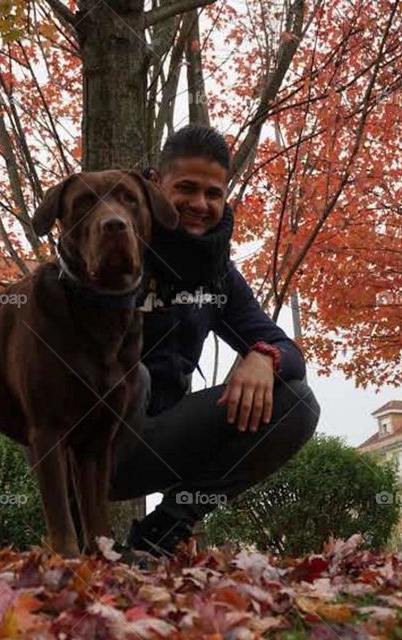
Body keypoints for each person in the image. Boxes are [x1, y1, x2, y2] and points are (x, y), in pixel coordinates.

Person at [108, 124, 321, 556]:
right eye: (185, 188)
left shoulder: (217, 273)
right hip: (89, 438)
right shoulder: (111, 242)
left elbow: (289, 352)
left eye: (213, 193)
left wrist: (264, 358)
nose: (200, 205)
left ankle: (159, 535)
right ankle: (76, 543)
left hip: (161, 436)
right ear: (155, 184)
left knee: (298, 402)